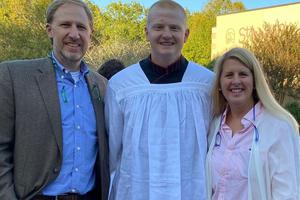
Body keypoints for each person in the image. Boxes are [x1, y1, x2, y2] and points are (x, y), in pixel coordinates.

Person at [105, 0, 214, 199]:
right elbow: (113, 150)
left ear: (186, 34)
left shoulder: (206, 84)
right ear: (147, 32)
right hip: (136, 189)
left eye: (174, 28)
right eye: (158, 27)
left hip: (191, 190)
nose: (166, 34)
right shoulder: (122, 85)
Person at [0, 0, 109, 199]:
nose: (74, 34)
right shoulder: (13, 76)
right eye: (66, 25)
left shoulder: (103, 86)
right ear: (50, 30)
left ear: (90, 34)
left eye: (82, 27)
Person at [206, 47, 300, 200]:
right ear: (219, 84)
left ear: (255, 81)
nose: (236, 81)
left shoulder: (278, 127)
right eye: (229, 75)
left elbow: (287, 192)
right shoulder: (215, 125)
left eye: (243, 74)